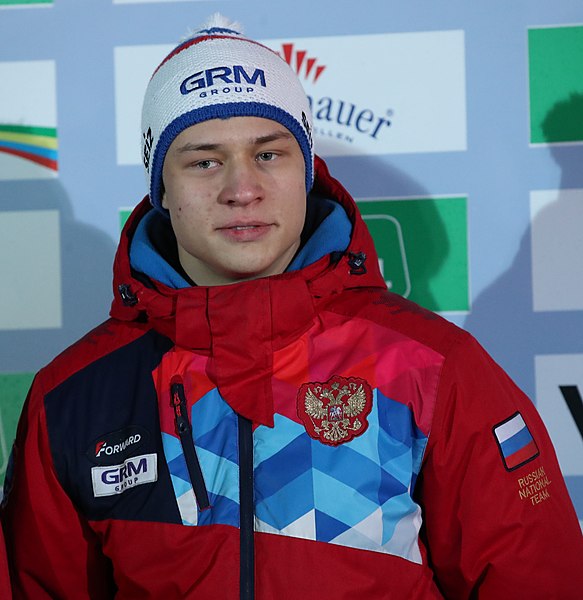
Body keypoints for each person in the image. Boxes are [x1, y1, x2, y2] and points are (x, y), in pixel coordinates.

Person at [2, 14, 582, 599]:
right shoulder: (74, 395)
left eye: (270, 155)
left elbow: (534, 579)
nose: (241, 188)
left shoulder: (432, 368)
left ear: (305, 172)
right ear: (161, 188)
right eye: (204, 161)